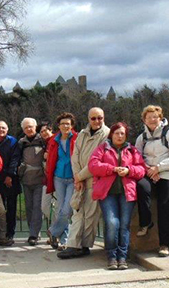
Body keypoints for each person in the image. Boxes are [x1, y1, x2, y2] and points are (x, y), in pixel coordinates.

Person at [89, 122, 146, 270]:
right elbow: (93, 166)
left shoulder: (132, 150)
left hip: (127, 193)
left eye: (122, 133)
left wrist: (129, 170)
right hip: (107, 193)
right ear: (111, 134)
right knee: (112, 223)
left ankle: (122, 256)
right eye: (117, 133)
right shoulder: (103, 148)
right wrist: (111, 169)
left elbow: (141, 169)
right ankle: (111, 256)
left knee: (124, 225)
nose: (119, 136)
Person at [58, 107, 110, 259]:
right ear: (88, 119)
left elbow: (98, 161)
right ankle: (74, 245)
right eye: (93, 118)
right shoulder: (82, 133)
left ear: (103, 117)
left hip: (95, 180)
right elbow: (76, 155)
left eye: (99, 118)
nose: (96, 121)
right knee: (78, 212)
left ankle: (84, 245)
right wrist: (77, 176)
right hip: (80, 180)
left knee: (90, 215)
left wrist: (79, 176)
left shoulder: (107, 134)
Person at [134, 105, 169, 257]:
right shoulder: (141, 137)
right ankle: (146, 223)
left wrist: (158, 168)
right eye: (149, 117)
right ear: (144, 120)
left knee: (164, 205)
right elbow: (136, 157)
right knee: (141, 187)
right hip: (149, 172)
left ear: (160, 118)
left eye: (155, 117)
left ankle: (164, 245)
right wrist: (149, 169)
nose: (152, 120)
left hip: (167, 173)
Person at [45, 112, 77, 250]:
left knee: (67, 208)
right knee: (59, 208)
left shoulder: (77, 138)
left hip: (72, 177)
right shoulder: (54, 140)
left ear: (72, 126)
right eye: (63, 123)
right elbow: (51, 158)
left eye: (68, 124)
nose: (65, 126)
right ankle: (64, 241)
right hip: (58, 177)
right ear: (59, 125)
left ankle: (53, 231)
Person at [0, 121, 21, 246]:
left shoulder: (13, 141)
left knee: (11, 208)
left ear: (7, 129)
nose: (1, 130)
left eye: (3, 128)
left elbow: (15, 159)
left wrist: (9, 175)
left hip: (11, 180)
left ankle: (10, 234)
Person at [18, 117, 45, 246]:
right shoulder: (21, 143)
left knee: (37, 207)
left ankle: (33, 234)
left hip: (40, 179)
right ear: (23, 129)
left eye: (31, 126)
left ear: (35, 127)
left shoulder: (42, 140)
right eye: (26, 127)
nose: (29, 129)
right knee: (29, 207)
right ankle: (33, 232)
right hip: (26, 179)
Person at [38, 121, 57, 230]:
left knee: (58, 208)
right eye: (42, 131)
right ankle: (55, 230)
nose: (44, 133)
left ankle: (57, 233)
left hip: (58, 178)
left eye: (46, 130)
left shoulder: (56, 140)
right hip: (47, 180)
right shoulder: (44, 143)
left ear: (51, 130)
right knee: (45, 207)